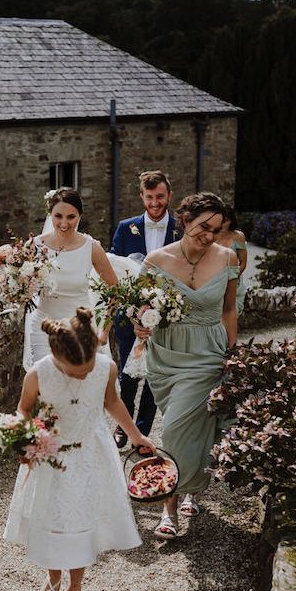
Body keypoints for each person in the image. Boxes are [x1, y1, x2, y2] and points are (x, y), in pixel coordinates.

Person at [4, 308, 155, 591]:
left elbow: (112, 403)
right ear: (57, 357)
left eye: (87, 370)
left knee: (81, 522)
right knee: (54, 520)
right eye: (75, 373)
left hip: (89, 454)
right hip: (51, 454)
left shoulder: (105, 368)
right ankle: (52, 579)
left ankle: (75, 590)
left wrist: (137, 435)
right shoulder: (39, 372)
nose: (82, 377)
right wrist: (21, 434)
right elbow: (23, 408)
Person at [134, 192, 239, 539]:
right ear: (185, 219)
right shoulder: (156, 261)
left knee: (178, 426)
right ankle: (191, 489)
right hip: (165, 354)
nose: (209, 235)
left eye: (216, 229)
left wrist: (231, 353)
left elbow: (228, 310)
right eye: (203, 227)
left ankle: (169, 507)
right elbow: (139, 309)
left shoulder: (227, 259)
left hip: (207, 351)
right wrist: (139, 323)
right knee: (186, 426)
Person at [109, 170, 177, 447]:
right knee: (127, 375)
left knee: (154, 378)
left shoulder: (180, 229)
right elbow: (114, 270)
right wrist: (132, 310)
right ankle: (123, 428)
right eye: (149, 197)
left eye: (160, 196)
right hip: (129, 316)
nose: (155, 202)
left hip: (167, 315)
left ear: (169, 195)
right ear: (141, 197)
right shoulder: (126, 227)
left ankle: (143, 431)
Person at [23, 188, 118, 369]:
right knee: (48, 387)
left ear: (80, 216)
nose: (64, 223)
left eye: (71, 217)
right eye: (58, 216)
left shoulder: (92, 248)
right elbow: (20, 284)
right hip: (43, 331)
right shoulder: (35, 246)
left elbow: (116, 289)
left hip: (81, 330)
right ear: (50, 215)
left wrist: (104, 330)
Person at [215, 206, 248, 316]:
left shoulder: (238, 236)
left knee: (230, 315)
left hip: (233, 281)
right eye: (221, 220)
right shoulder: (211, 234)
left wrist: (232, 278)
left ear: (231, 220)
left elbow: (243, 263)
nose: (223, 223)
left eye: (226, 220)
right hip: (213, 280)